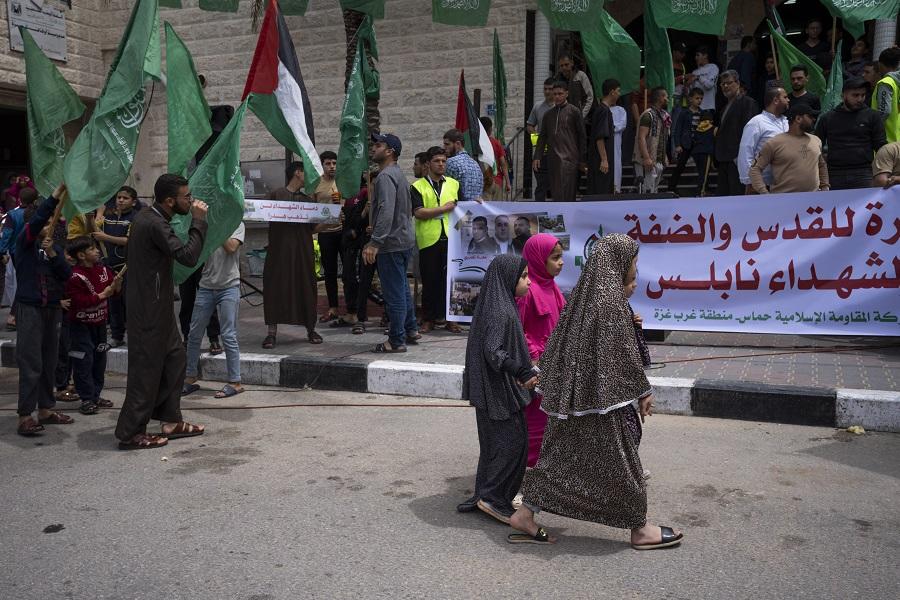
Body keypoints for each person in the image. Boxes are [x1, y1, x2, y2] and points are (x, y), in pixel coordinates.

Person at [508, 234, 682, 550]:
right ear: (618, 261)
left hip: (574, 396)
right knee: (622, 461)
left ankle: (526, 513)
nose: (635, 267)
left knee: (559, 457)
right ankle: (640, 529)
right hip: (601, 400)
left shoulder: (584, 295)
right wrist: (642, 390)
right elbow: (623, 351)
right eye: (633, 261)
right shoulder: (611, 300)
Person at [114, 174, 208, 450]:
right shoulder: (153, 222)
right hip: (148, 307)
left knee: (175, 359)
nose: (190, 201)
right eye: (186, 197)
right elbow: (188, 256)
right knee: (146, 368)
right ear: (170, 201)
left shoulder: (152, 218)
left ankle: (170, 419)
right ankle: (130, 433)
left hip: (158, 304)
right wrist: (199, 222)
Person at [457, 253, 537, 523]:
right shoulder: (499, 309)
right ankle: (491, 498)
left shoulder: (501, 303)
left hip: (498, 388)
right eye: (524, 277)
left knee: (496, 445)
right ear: (508, 278)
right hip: (496, 391)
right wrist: (520, 370)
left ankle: (488, 494)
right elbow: (493, 350)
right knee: (511, 445)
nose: (528, 282)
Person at [13, 183, 74, 437]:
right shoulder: (24, 243)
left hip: (52, 309)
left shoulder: (53, 247)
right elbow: (37, 220)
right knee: (31, 363)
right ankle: (25, 415)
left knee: (49, 360)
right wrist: (55, 197)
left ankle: (47, 409)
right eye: (48, 218)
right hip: (30, 309)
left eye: (53, 218)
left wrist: (53, 254)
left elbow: (66, 275)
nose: (52, 221)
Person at [363, 132, 419, 354]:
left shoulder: (386, 177)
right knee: (402, 288)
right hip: (403, 240)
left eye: (378, 145)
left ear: (390, 151)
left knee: (394, 293)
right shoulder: (398, 174)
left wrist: (375, 242)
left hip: (391, 243)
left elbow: (386, 211)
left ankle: (396, 341)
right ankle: (411, 328)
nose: (373, 148)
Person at [516, 234, 565, 469]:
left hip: (554, 364)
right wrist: (533, 355)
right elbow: (518, 328)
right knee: (536, 420)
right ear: (538, 259)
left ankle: (545, 468)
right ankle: (527, 471)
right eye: (555, 258)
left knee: (551, 419)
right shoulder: (527, 291)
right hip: (536, 368)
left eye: (561, 257)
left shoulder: (552, 287)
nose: (561, 262)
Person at [261, 161, 322, 348]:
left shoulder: (308, 201)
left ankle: (311, 329)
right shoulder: (275, 195)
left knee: (306, 287)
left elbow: (313, 228)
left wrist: (331, 220)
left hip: (303, 253)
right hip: (278, 252)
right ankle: (271, 333)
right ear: (297, 173)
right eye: (305, 172)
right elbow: (261, 213)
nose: (308, 177)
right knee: (274, 288)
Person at [182, 222, 245, 399]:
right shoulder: (203, 226)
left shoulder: (237, 224)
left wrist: (217, 228)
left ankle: (235, 381)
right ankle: (190, 376)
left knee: (228, 334)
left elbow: (231, 247)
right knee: (194, 333)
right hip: (206, 286)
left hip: (229, 287)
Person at [64, 236, 120, 416]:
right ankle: (86, 398)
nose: (97, 251)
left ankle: (96, 395)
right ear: (81, 255)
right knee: (83, 360)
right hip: (80, 325)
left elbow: (114, 290)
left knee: (99, 359)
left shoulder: (103, 270)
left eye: (97, 248)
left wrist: (117, 286)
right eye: (92, 249)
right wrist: (102, 296)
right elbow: (78, 302)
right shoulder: (74, 276)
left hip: (100, 324)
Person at [411, 146, 462, 334]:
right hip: (428, 240)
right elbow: (419, 212)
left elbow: (462, 208)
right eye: (437, 161)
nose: (441, 164)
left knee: (450, 280)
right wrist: (443, 209)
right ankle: (428, 319)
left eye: (443, 161)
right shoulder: (417, 186)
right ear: (428, 164)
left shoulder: (454, 184)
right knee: (430, 280)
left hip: (450, 238)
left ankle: (451, 319)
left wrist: (477, 201)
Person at [815, 77, 887, 190]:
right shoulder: (827, 118)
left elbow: (881, 146)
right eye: (855, 95)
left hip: (864, 173)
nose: (860, 99)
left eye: (863, 95)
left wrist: (884, 172)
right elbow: (816, 146)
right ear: (843, 95)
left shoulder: (873, 116)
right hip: (834, 174)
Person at [749, 104, 829, 194]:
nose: (814, 119)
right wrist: (764, 192)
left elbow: (821, 165)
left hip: (812, 201)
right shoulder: (774, 143)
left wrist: (825, 187)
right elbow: (755, 169)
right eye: (810, 116)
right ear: (798, 119)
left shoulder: (816, 140)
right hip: (784, 202)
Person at [93, 186, 137, 347]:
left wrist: (105, 237)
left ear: (133, 202)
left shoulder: (134, 218)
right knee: (113, 303)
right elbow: (94, 229)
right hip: (109, 266)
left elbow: (128, 240)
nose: (121, 200)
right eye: (119, 197)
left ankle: (134, 335)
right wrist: (96, 214)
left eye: (125, 198)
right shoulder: (108, 217)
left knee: (129, 303)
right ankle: (117, 335)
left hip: (126, 266)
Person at [533, 81, 587, 202]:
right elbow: (542, 137)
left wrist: (582, 160)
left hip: (570, 159)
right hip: (553, 159)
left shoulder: (574, 111)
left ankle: (569, 219)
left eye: (560, 94)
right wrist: (537, 156)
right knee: (556, 193)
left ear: (566, 94)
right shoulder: (548, 115)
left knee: (568, 193)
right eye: (555, 94)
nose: (557, 96)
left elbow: (582, 136)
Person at [343, 174, 380, 335]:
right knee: (363, 282)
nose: (373, 188)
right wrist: (365, 212)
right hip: (367, 247)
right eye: (372, 185)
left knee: (387, 283)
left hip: (385, 248)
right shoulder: (364, 202)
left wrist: (377, 230)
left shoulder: (388, 200)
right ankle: (361, 318)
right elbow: (353, 224)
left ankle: (388, 315)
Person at [737, 86, 790, 193]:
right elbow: (745, 152)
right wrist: (750, 181)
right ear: (776, 100)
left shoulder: (787, 122)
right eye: (785, 97)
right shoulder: (757, 122)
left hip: (783, 183)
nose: (788, 100)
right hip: (760, 184)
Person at [1, 186, 39, 331]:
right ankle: (13, 317)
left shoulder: (11, 214)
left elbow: (6, 235)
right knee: (25, 283)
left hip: (16, 253)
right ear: (35, 201)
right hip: (32, 252)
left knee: (25, 282)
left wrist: (2, 252)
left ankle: (16, 316)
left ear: (19, 199)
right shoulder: (36, 214)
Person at [314, 150, 346, 324]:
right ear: (322, 165)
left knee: (348, 272)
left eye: (334, 163)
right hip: (325, 233)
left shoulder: (342, 181)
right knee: (330, 273)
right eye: (328, 163)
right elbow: (312, 209)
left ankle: (351, 309)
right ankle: (333, 307)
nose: (332, 167)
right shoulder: (316, 184)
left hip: (343, 231)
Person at [669, 89, 715, 196]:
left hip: (698, 144)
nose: (699, 101)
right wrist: (678, 144)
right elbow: (677, 129)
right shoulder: (684, 113)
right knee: (680, 166)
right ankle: (671, 187)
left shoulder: (703, 113)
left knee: (702, 168)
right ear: (690, 99)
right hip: (686, 143)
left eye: (701, 99)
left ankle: (703, 188)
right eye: (697, 98)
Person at [632, 87, 671, 194]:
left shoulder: (662, 116)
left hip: (657, 160)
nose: (668, 99)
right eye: (666, 97)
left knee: (654, 191)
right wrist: (646, 158)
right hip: (646, 161)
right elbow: (641, 137)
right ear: (660, 98)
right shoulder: (647, 115)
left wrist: (664, 156)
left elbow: (661, 138)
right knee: (646, 191)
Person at [588, 78, 619, 195]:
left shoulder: (601, 110)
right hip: (600, 162)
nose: (619, 94)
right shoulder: (603, 111)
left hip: (599, 160)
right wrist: (604, 159)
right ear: (612, 92)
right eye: (618, 91)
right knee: (601, 192)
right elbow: (600, 137)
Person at [527, 78, 555, 201]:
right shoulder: (538, 106)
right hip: (541, 153)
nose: (547, 91)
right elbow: (529, 125)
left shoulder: (561, 106)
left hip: (558, 152)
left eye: (550, 89)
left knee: (556, 186)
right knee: (541, 187)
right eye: (545, 89)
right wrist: (538, 140)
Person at [444, 129, 484, 203]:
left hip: (459, 210)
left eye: (447, 144)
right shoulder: (475, 164)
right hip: (476, 210)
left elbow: (444, 189)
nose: (444, 147)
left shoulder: (451, 161)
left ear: (458, 144)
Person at [872, 47, 900, 143]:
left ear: (880, 64)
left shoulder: (886, 82)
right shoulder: (897, 83)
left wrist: (870, 129)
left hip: (884, 140)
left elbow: (884, 112)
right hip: (896, 138)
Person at [480, 117, 510, 197]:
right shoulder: (496, 143)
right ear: (490, 129)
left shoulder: (477, 144)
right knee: (497, 208)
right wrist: (508, 182)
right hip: (497, 181)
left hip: (484, 182)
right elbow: (503, 163)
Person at [687, 46, 719, 112]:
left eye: (698, 55)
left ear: (705, 55)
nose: (696, 58)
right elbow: (691, 92)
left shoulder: (713, 67)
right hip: (695, 109)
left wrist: (698, 77)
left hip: (708, 107)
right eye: (695, 56)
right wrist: (687, 84)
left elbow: (709, 85)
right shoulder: (694, 72)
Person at [611, 103, 628, 192]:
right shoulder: (602, 109)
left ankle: (616, 188)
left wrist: (609, 128)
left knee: (616, 161)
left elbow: (622, 125)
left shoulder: (621, 110)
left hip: (616, 140)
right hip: (604, 139)